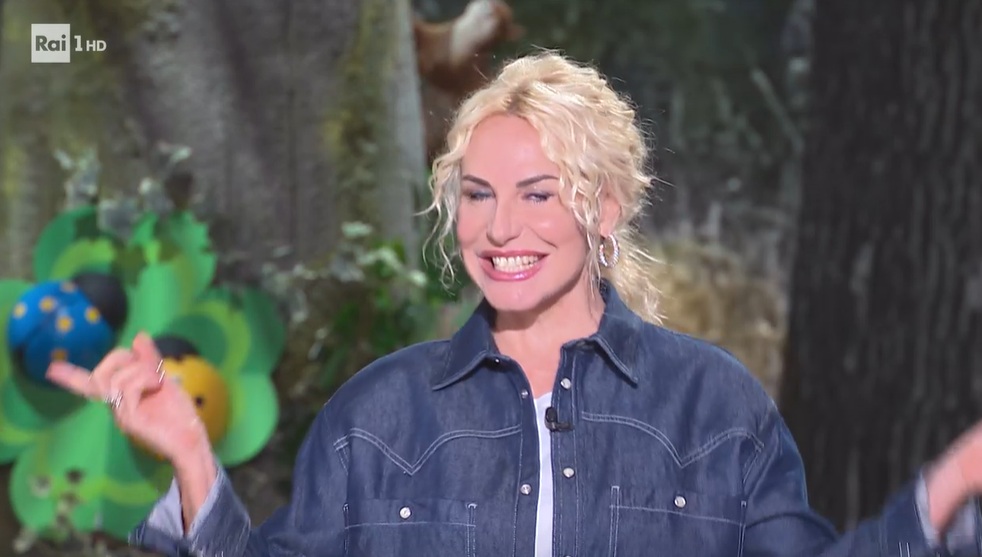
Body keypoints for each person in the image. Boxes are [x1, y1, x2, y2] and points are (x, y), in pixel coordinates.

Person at [48, 52, 982, 557]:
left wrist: (946, 491)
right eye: (478, 194)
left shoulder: (715, 408)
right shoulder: (377, 415)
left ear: (603, 208)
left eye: (539, 193)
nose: (500, 228)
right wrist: (192, 457)